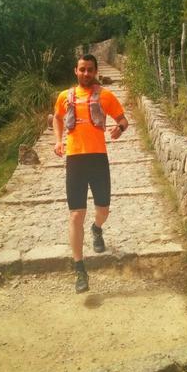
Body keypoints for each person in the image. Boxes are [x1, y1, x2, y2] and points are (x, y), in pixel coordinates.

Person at [53, 54, 128, 293]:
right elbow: (56, 118)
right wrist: (58, 141)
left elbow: (123, 119)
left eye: (90, 70)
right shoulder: (65, 97)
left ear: (95, 72)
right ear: (75, 70)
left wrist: (120, 129)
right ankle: (79, 269)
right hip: (75, 160)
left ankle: (97, 228)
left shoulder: (105, 96)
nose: (86, 73)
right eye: (82, 69)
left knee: (103, 210)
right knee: (76, 215)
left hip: (98, 159)